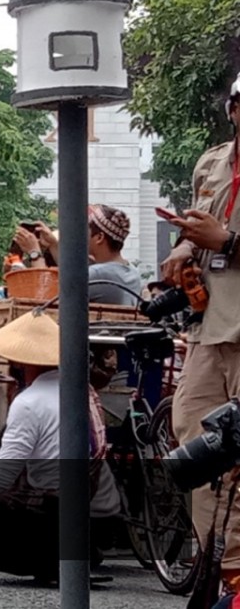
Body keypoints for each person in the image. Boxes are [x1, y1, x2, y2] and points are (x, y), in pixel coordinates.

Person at [0, 312, 120, 582]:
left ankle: (52, 564)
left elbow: (1, 477)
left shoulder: (29, 401)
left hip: (62, 514)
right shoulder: (85, 390)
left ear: (20, 362)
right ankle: (76, 553)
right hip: (102, 516)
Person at [164, 71, 240, 591]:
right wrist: (185, 248)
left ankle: (234, 571)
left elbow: (222, 236)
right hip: (210, 326)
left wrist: (229, 242)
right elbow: (200, 228)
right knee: (193, 433)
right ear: (234, 109)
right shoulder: (212, 163)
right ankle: (216, 559)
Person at [15, 206, 142, 306]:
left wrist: (34, 253)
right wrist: (53, 244)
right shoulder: (132, 273)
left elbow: (44, 294)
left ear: (99, 238)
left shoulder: (99, 274)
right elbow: (72, 274)